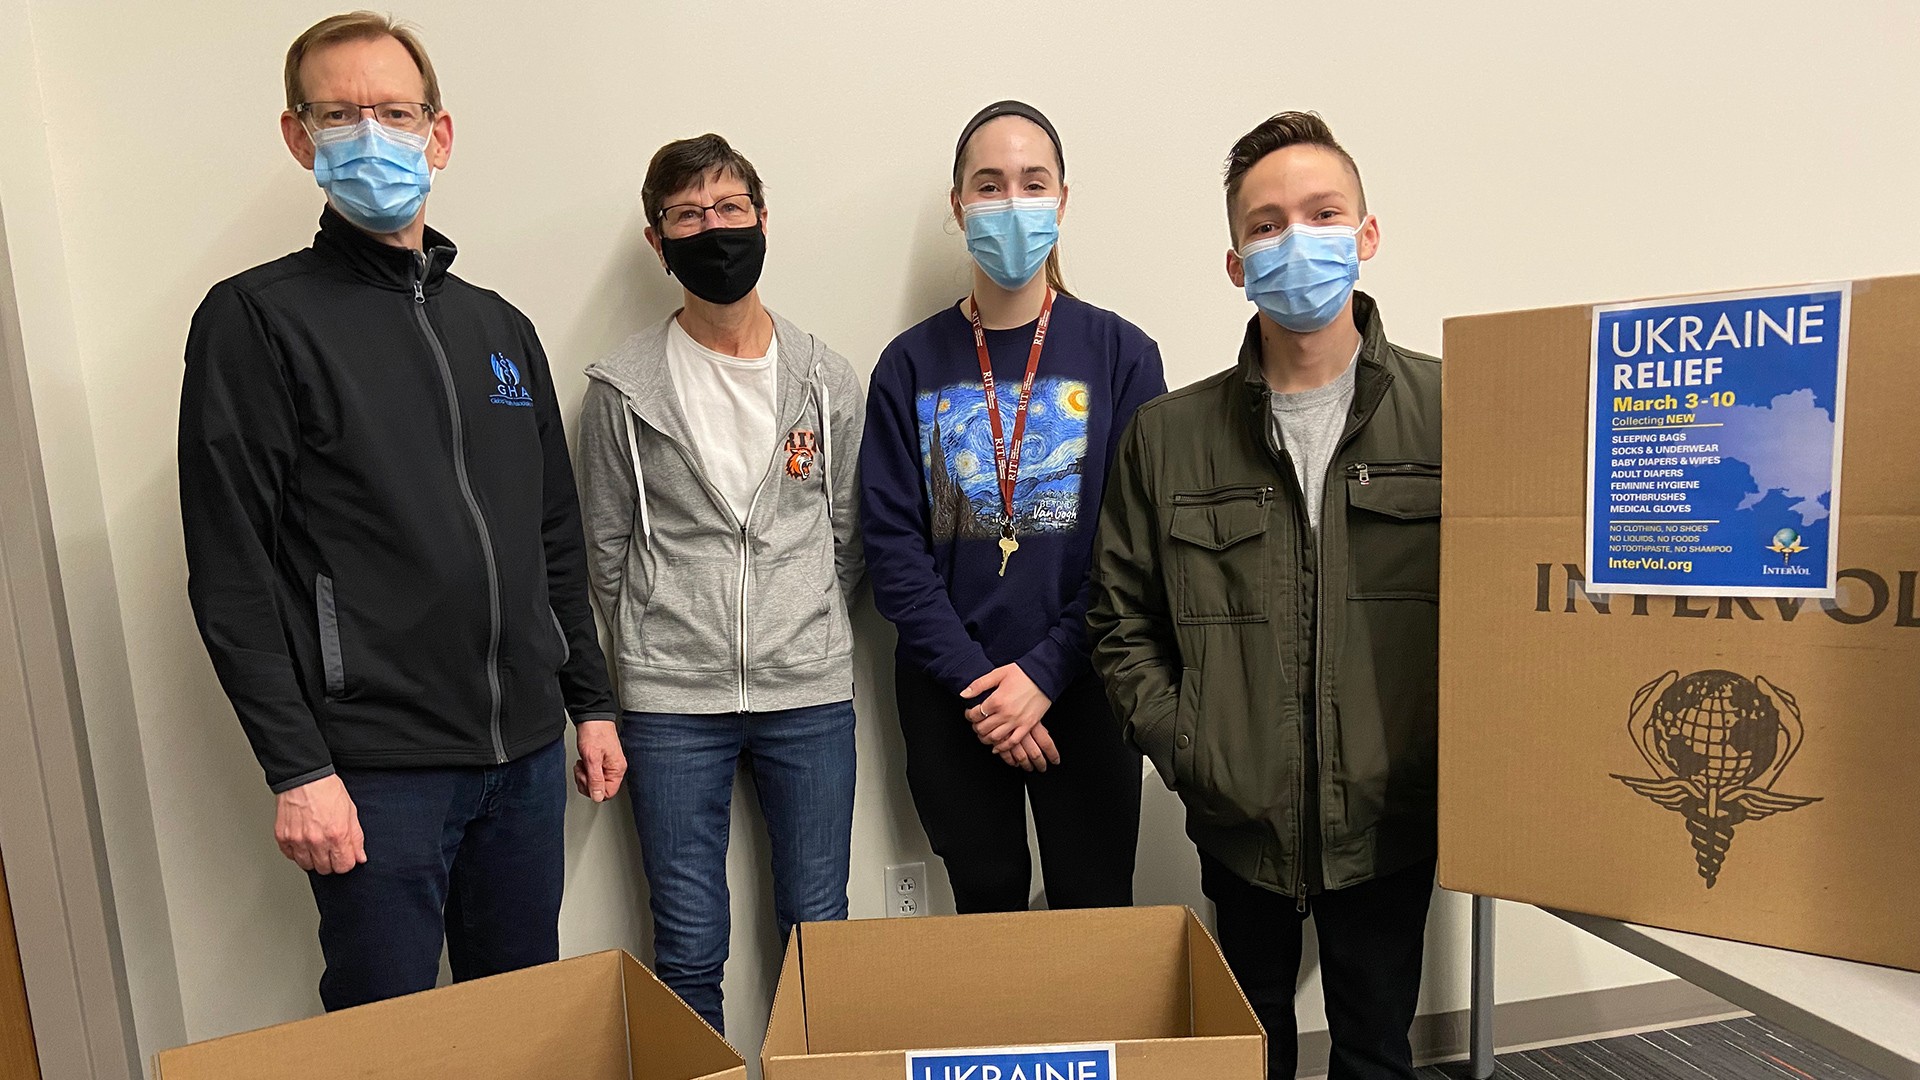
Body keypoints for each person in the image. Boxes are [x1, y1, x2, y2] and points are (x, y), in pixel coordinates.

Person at [177, 12, 624, 1012]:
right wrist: (297, 768)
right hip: (378, 774)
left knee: (522, 1031)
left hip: (525, 757)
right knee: (386, 1042)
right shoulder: (256, 321)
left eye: (394, 111)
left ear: (440, 134)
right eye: (339, 114)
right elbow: (231, 567)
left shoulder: (500, 327)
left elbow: (552, 535)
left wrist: (588, 702)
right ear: (299, 138)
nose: (369, 133)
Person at [1088, 111, 1441, 1080]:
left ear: (1367, 234)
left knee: (1376, 1053)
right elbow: (1119, 620)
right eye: (1267, 224)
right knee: (1249, 1054)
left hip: (1393, 818)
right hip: (1238, 822)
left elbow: (1495, 619)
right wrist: (1192, 748)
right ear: (1236, 263)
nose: (1297, 240)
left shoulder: (1452, 415)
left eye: (1323, 214)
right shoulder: (1169, 437)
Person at [576, 134, 865, 1035]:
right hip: (670, 705)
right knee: (689, 945)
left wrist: (796, 622)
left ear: (763, 218)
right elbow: (604, 551)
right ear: (658, 240)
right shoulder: (621, 391)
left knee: (818, 935)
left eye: (731, 207)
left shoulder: (826, 380)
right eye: (689, 215)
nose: (714, 229)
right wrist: (664, 636)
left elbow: (846, 536)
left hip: (808, 694)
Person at [861, 101, 1165, 914]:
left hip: (1088, 682)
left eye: (1033, 183)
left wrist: (1042, 674)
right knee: (985, 909)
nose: (1012, 202)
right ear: (959, 206)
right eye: (989, 185)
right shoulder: (908, 365)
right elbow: (892, 551)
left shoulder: (1122, 355)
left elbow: (1134, 549)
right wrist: (982, 687)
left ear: (1063, 200)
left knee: (1094, 907)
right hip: (951, 693)